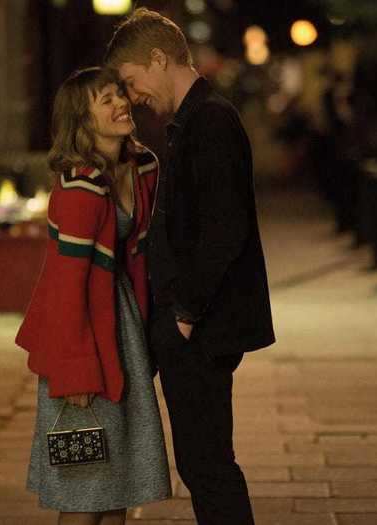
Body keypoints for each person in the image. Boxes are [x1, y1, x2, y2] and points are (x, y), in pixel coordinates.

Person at [105, 8, 275, 525]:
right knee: (202, 463)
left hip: (201, 327)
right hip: (196, 324)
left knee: (207, 465)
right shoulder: (192, 121)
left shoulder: (210, 120)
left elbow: (225, 228)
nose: (134, 98)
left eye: (133, 82)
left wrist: (185, 313)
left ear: (159, 59)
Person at [15, 67, 171, 525]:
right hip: (84, 340)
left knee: (118, 486)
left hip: (120, 332)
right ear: (82, 121)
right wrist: (75, 373)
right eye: (106, 100)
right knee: (85, 492)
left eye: (119, 95)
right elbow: (66, 288)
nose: (121, 104)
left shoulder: (142, 167)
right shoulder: (78, 188)